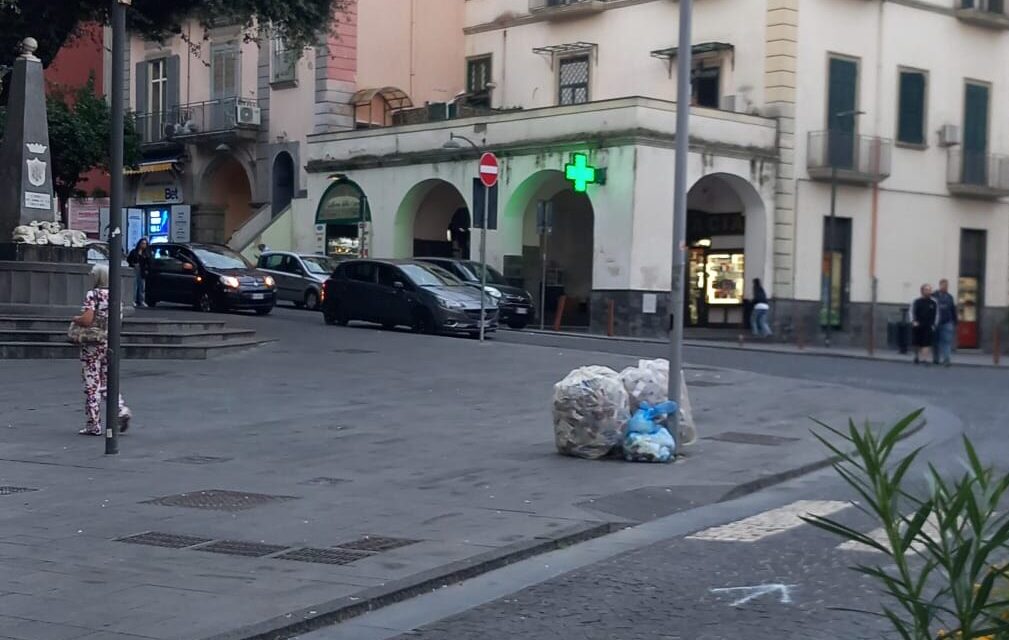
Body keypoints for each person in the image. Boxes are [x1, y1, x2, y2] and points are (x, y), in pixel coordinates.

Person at [71, 264, 132, 436]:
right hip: (108, 343)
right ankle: (121, 410)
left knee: (91, 384)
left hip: (91, 344)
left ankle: (93, 424)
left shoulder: (93, 295)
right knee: (107, 382)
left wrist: (76, 318)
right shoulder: (115, 296)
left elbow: (87, 319)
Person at [910, 283, 938, 365]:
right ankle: (916, 356)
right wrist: (913, 321)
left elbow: (937, 314)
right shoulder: (916, 301)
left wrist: (934, 324)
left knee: (927, 342)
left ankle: (925, 358)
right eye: (926, 290)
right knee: (916, 342)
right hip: (918, 324)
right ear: (922, 291)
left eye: (929, 290)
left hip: (929, 325)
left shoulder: (934, 302)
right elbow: (911, 312)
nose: (928, 292)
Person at [933, 278, 957, 367]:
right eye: (944, 285)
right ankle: (936, 359)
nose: (946, 287)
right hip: (936, 322)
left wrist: (955, 321)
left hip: (947, 322)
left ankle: (947, 359)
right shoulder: (934, 296)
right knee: (936, 342)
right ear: (940, 285)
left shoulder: (950, 297)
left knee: (946, 341)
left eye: (947, 286)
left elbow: (953, 310)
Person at [127, 237, 150, 308]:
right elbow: (129, 259)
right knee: (134, 285)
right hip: (135, 268)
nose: (143, 245)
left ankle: (141, 300)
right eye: (142, 243)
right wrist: (132, 264)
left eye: (145, 244)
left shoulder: (146, 253)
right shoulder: (134, 252)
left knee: (142, 286)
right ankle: (133, 300)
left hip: (142, 270)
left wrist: (147, 269)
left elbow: (148, 262)